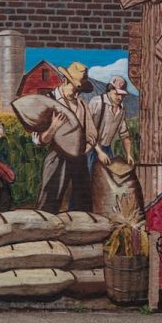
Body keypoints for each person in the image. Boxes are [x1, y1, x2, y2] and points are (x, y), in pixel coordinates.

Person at [33, 62, 103, 213]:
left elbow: (92, 133)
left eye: (81, 90)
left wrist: (86, 148)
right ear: (65, 81)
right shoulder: (49, 101)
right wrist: (54, 127)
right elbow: (39, 140)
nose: (78, 93)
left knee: (83, 201)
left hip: (79, 157)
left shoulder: (82, 105)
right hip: (57, 156)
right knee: (48, 202)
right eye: (75, 88)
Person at [87, 75, 135, 172]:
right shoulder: (97, 103)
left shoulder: (121, 109)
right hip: (91, 148)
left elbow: (124, 135)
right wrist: (99, 152)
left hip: (107, 149)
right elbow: (87, 130)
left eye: (123, 95)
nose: (120, 98)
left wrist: (128, 154)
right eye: (117, 94)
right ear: (109, 89)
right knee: (91, 177)